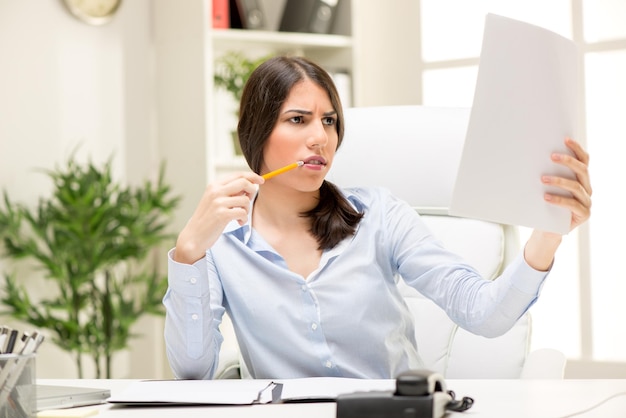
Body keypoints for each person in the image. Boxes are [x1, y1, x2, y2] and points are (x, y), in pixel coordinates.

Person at [163, 56, 592, 380]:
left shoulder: (379, 216)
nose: (320, 138)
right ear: (255, 134)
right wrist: (189, 254)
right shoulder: (222, 242)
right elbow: (193, 372)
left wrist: (549, 233)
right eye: (298, 120)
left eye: (329, 121)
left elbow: (484, 313)